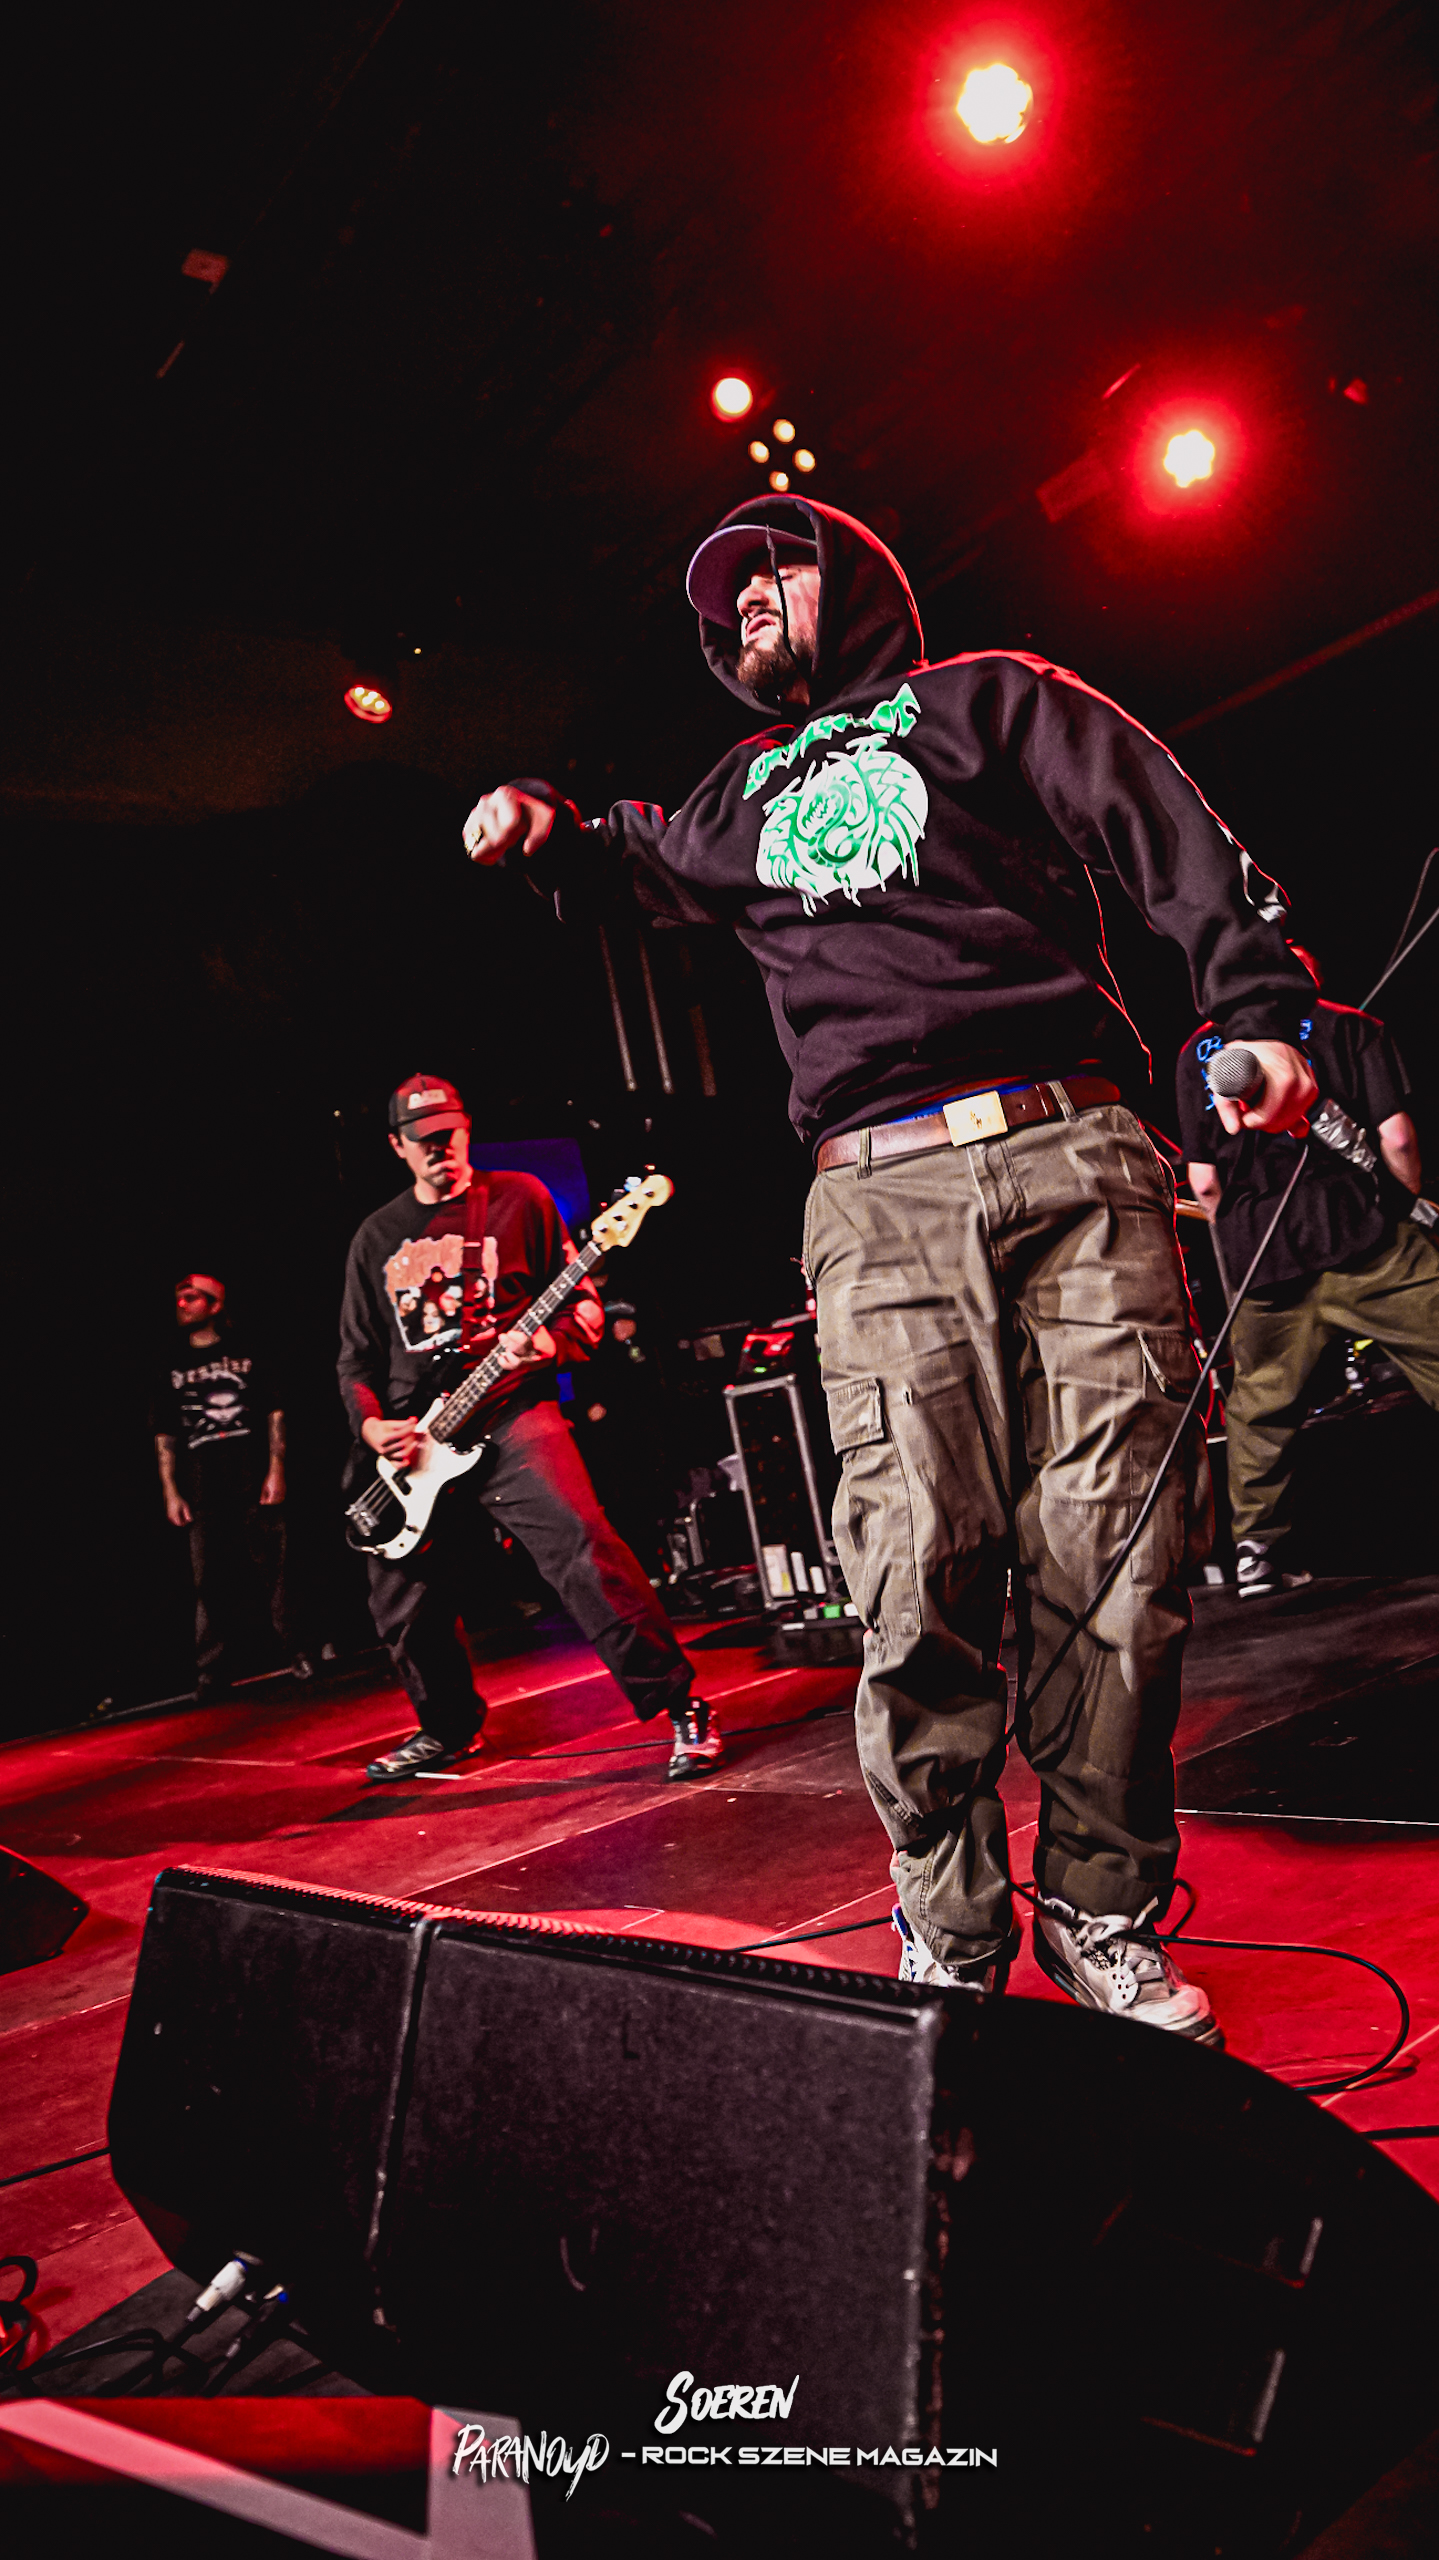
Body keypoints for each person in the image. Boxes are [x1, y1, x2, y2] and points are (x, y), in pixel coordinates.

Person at [464, 493, 1322, 2045]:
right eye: (720, 602)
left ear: (848, 580)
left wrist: (1249, 1002)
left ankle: (1100, 1907)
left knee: (1113, 1559)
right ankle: (948, 1919)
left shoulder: (981, 700)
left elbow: (1155, 820)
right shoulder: (736, 791)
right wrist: (540, 823)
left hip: (1070, 1145)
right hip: (876, 1188)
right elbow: (626, 860)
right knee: (912, 1564)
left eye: (769, 573)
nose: (741, 605)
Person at [337, 1072, 718, 1781]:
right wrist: (371, 1427)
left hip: (511, 1411)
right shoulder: (375, 1237)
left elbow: (584, 1311)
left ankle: (681, 1706)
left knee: (583, 1547)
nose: (439, 1149)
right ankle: (446, 1728)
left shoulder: (519, 1199)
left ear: (466, 1130)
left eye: (449, 1135)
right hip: (416, 1440)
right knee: (400, 1594)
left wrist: (547, 1344)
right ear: (396, 1146)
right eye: (423, 1140)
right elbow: (354, 1358)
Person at [1179, 945, 1438, 1596]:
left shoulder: (1198, 1054)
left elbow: (1203, 1182)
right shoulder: (1351, 1027)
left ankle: (1259, 1553)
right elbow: (1398, 1138)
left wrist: (1237, 1239)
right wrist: (1400, 1205)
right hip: (1361, 1235)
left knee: (1259, 1409)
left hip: (1263, 1254)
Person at [154, 1272, 304, 1701]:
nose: (182, 1305)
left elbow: (275, 1411)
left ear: (215, 1305)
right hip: (202, 1487)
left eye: (191, 1297)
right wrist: (170, 1491)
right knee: (209, 1581)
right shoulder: (170, 1364)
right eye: (179, 1298)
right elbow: (164, 1433)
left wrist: (276, 1469)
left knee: (278, 1570)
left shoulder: (247, 1351)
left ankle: (299, 1650)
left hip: (252, 1476)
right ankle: (212, 1672)